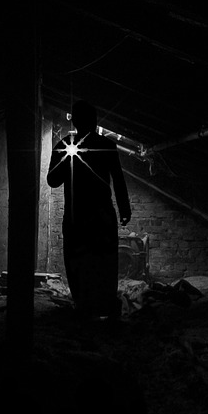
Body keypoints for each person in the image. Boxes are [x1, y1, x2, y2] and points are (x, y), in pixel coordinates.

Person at [47, 100, 131, 320]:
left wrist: (66, 160)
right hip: (101, 215)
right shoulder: (107, 145)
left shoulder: (64, 144)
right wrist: (124, 208)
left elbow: (52, 180)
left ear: (74, 121)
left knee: (78, 262)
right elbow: (119, 180)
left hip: (77, 217)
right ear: (95, 121)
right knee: (104, 262)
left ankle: (84, 306)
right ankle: (100, 307)